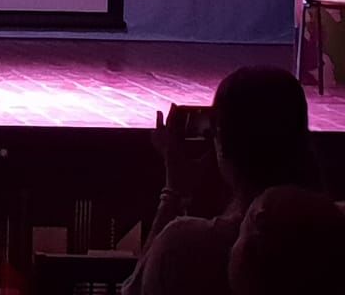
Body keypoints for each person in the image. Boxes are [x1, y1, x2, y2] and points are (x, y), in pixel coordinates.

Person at [123, 66, 321, 295]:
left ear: (222, 145)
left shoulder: (184, 245)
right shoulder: (330, 235)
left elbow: (134, 290)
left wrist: (172, 192)